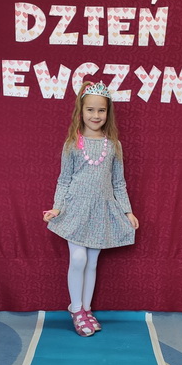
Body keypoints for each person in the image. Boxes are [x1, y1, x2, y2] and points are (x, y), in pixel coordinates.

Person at [43, 81, 139, 336]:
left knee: (92, 262)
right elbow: (64, 179)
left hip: (100, 211)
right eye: (90, 110)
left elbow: (118, 182)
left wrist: (127, 211)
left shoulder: (114, 145)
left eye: (101, 110)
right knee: (78, 258)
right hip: (75, 209)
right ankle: (75, 309)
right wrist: (57, 208)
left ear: (108, 113)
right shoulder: (72, 144)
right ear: (81, 111)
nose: (96, 115)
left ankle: (86, 309)